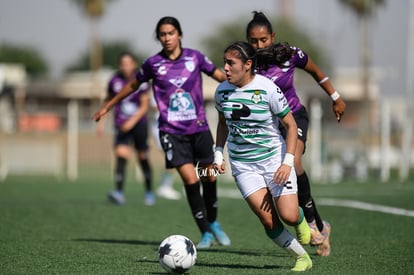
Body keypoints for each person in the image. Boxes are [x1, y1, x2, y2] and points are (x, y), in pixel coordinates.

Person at [93, 16, 230, 249]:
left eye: (171, 33)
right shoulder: (152, 64)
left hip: (198, 128)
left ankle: (214, 222)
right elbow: (133, 86)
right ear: (159, 37)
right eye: (162, 34)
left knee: (209, 176)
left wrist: (245, 86)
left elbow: (221, 77)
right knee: (190, 178)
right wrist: (109, 104)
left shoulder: (195, 58)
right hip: (171, 131)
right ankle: (205, 232)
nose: (167, 38)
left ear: (179, 34)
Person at [246, 11, 347, 256]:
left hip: (294, 117)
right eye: (254, 41)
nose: (259, 45)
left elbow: (316, 72)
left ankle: (312, 223)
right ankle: (321, 226)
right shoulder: (247, 62)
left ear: (273, 37)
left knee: (294, 161)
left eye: (264, 40)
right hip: (269, 126)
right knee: (279, 183)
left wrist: (335, 97)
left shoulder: (290, 54)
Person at [214, 41, 312, 271]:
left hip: (274, 160)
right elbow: (222, 124)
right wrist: (218, 152)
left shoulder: (267, 88)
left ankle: (299, 219)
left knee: (287, 215)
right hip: (243, 165)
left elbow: (290, 125)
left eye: (231, 63)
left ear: (248, 65)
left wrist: (287, 162)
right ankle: (301, 257)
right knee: (268, 220)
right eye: (224, 62)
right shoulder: (222, 91)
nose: (225, 68)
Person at [96, 52, 155, 206]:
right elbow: (109, 101)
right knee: (121, 156)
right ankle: (119, 193)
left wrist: (132, 122)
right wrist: (102, 122)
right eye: (123, 63)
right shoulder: (114, 80)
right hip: (121, 125)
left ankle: (149, 192)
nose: (126, 66)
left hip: (139, 125)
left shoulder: (141, 80)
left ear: (134, 64)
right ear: (120, 65)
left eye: (128, 63)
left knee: (142, 157)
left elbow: (144, 106)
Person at [150, 96, 181, 200]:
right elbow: (156, 107)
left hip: (171, 128)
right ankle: (165, 187)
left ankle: (166, 185)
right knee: (171, 157)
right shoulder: (158, 90)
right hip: (162, 129)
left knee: (173, 157)